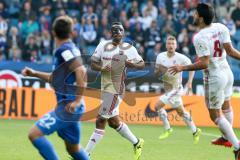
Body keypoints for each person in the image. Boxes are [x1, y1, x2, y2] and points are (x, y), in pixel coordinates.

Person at [169, 3, 240, 160]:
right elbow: (230, 51)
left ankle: (237, 146)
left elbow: (204, 63)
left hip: (215, 76)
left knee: (214, 114)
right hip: (227, 73)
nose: (193, 16)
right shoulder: (221, 27)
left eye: (195, 14)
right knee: (226, 104)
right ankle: (226, 137)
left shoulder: (200, 37)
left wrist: (182, 68)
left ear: (200, 18)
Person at [21, 16, 89, 160]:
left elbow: (81, 71)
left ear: (53, 33)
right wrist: (34, 73)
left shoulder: (64, 50)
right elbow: (55, 78)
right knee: (73, 149)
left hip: (67, 107)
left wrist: (77, 101)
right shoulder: (70, 49)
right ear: (71, 33)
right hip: (71, 107)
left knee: (34, 134)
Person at [85, 22, 145, 160]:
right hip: (105, 88)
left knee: (100, 120)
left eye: (120, 30)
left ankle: (84, 154)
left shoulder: (129, 49)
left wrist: (130, 64)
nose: (117, 32)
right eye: (114, 31)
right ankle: (137, 142)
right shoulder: (102, 45)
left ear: (123, 33)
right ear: (110, 34)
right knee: (113, 122)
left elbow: (142, 64)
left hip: (116, 89)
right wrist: (101, 68)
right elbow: (92, 62)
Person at [154, 35, 201, 143]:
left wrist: (189, 82)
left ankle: (167, 128)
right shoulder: (160, 56)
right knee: (181, 112)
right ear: (166, 45)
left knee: (157, 106)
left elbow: (192, 67)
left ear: (176, 45)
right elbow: (156, 73)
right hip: (168, 90)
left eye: (173, 44)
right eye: (169, 43)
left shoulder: (182, 58)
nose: (170, 45)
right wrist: (159, 71)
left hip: (176, 89)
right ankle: (195, 130)